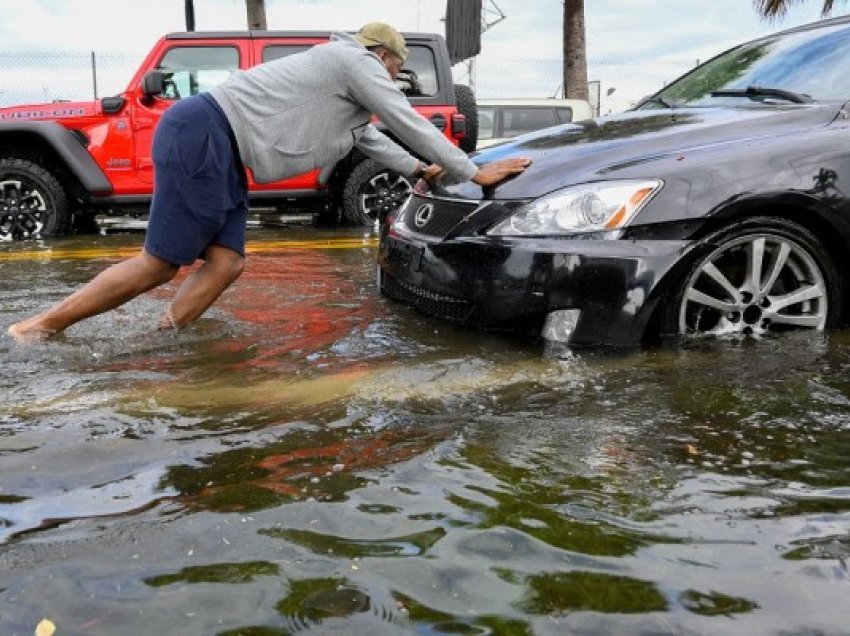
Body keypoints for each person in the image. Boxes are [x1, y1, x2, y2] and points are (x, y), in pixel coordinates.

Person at [7, 22, 531, 342]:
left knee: (228, 262)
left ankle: (166, 337)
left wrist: (420, 169)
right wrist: (472, 169)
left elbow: (369, 138)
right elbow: (400, 115)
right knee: (160, 263)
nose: (395, 76)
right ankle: (38, 328)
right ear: (385, 54)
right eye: (397, 66)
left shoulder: (344, 90)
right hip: (202, 132)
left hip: (224, 152)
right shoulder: (354, 59)